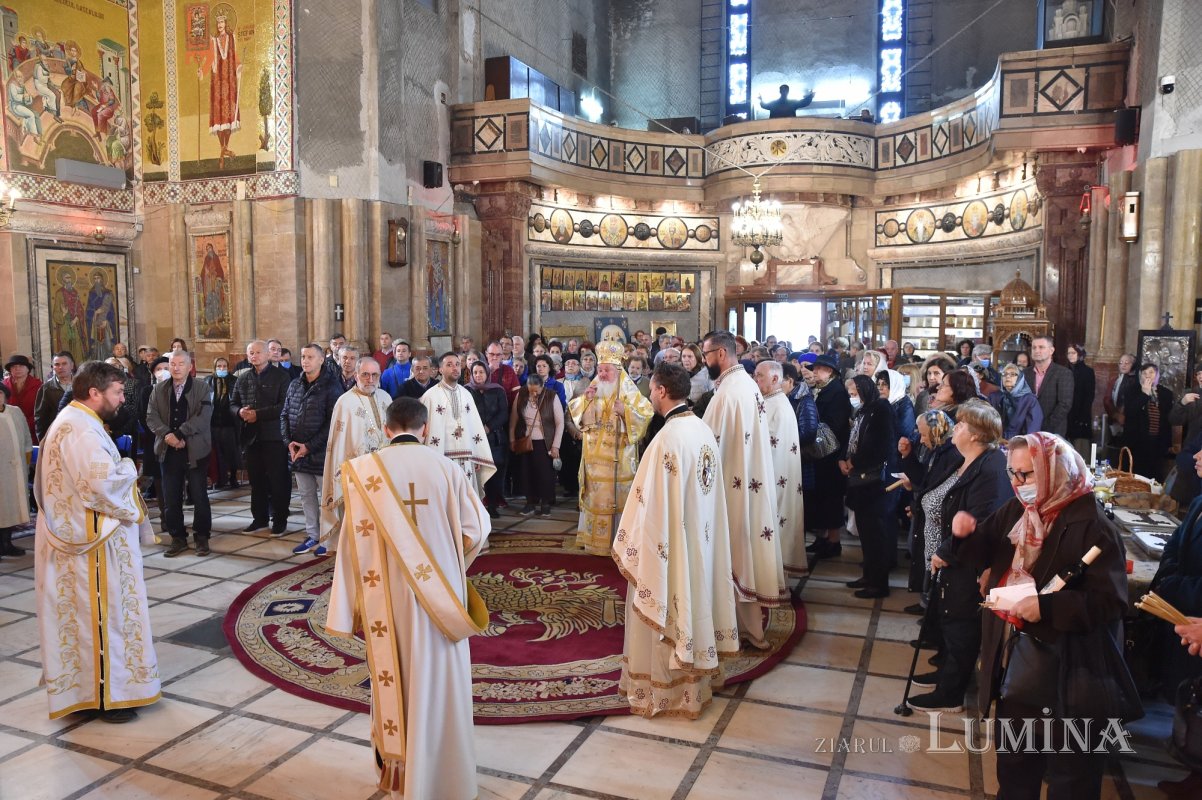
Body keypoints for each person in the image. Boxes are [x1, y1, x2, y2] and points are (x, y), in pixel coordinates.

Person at [325, 397, 489, 800]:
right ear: (426, 428)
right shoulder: (446, 468)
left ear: (386, 429)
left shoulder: (364, 472)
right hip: (440, 600)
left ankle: (401, 777)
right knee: (441, 684)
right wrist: (450, 562)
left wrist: (348, 605)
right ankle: (448, 779)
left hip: (387, 602)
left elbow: (349, 544)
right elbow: (478, 530)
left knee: (396, 679)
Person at [952, 432, 1131, 799]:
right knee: (1015, 766)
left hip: (1071, 671)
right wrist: (967, 536)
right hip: (1020, 666)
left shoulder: (1095, 526)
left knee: (1071, 776)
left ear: (1055, 470)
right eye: (1013, 474)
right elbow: (987, 549)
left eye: (1028, 474)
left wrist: (1047, 607)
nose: (1019, 483)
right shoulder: (1018, 509)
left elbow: (1109, 603)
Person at [34, 361, 160, 722]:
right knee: (104, 615)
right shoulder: (81, 430)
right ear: (94, 392)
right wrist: (128, 468)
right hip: (91, 545)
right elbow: (100, 486)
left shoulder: (76, 421)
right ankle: (108, 697)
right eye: (117, 392)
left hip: (76, 537)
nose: (122, 399)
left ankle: (92, 692)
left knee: (85, 616)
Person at [613, 362, 739, 717]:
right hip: (699, 539)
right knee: (695, 601)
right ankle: (697, 683)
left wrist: (632, 539)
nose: (649, 395)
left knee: (666, 605)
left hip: (671, 544)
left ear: (661, 391)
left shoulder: (666, 440)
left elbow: (647, 505)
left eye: (651, 389)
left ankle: (665, 690)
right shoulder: (701, 429)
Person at [907, 401, 1010, 712]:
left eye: (962, 424)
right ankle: (946, 675)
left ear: (976, 434)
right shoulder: (966, 460)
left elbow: (979, 521)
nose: (956, 428)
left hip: (969, 562)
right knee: (948, 620)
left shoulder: (990, 468)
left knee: (961, 626)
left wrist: (946, 551)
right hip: (954, 557)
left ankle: (950, 694)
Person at [700, 331, 786, 648]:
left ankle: (734, 629)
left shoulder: (728, 393)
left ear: (721, 354)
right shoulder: (746, 385)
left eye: (706, 354)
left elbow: (707, 447)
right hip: (747, 480)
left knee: (732, 554)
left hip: (730, 486)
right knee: (742, 551)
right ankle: (747, 628)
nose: (704, 360)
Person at [569, 340, 653, 556]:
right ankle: (592, 541)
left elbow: (646, 413)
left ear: (617, 370)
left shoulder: (628, 389)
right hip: (594, 460)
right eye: (600, 370)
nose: (602, 374)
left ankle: (618, 542)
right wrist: (586, 401)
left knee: (616, 500)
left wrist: (626, 411)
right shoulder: (594, 387)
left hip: (619, 459)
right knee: (596, 497)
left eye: (607, 370)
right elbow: (576, 413)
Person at [319, 356, 392, 555]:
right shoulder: (345, 402)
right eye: (365, 374)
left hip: (384, 469)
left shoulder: (386, 398)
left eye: (375, 375)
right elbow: (340, 443)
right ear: (356, 375)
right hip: (357, 472)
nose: (370, 379)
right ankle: (354, 554)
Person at [146, 351, 213, 557]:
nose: (175, 368)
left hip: (195, 449)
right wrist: (168, 435)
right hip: (168, 450)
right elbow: (151, 416)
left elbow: (203, 417)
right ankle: (178, 537)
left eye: (180, 364)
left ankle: (201, 536)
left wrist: (180, 433)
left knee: (199, 495)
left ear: (190, 366)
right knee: (171, 497)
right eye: (172, 364)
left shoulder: (202, 387)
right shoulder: (158, 389)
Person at [841, 375, 896, 598]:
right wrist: (845, 459)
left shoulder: (881, 408)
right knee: (865, 532)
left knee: (876, 534)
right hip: (860, 480)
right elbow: (854, 438)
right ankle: (868, 575)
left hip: (874, 482)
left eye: (854, 392)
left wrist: (854, 461)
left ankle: (879, 584)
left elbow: (879, 444)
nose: (852, 396)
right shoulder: (863, 410)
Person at [283, 343, 341, 555]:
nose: (305, 361)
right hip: (297, 453)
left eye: (310, 357)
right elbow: (284, 414)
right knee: (306, 496)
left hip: (321, 454)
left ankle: (328, 538)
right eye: (303, 357)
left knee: (327, 499)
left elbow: (332, 423)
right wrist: (288, 442)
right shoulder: (294, 384)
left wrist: (308, 446)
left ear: (321, 360)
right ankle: (312, 535)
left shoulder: (331, 386)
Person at [231, 340, 292, 535]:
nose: (254, 356)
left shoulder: (281, 377)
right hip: (251, 437)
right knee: (256, 481)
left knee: (278, 480)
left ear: (267, 355)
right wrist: (240, 411)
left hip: (274, 436)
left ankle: (280, 519)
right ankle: (259, 519)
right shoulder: (242, 378)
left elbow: (284, 406)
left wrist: (258, 414)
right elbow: (233, 403)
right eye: (251, 353)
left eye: (258, 352)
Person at [755, 360, 806, 579]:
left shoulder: (774, 405)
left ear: (775, 378)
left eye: (760, 376)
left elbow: (761, 442)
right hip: (779, 476)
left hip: (775, 477)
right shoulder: (774, 402)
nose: (755, 380)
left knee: (773, 525)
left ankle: (774, 580)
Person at [421, 352, 496, 497]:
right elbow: (423, 430)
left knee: (466, 498)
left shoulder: (466, 394)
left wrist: (477, 455)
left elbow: (474, 427)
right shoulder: (430, 396)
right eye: (449, 365)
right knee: (446, 497)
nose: (455, 368)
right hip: (441, 458)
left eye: (457, 364)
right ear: (440, 369)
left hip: (466, 458)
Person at [805, 353, 852, 558]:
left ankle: (833, 541)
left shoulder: (837, 392)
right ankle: (822, 538)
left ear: (830, 372)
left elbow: (836, 424)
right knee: (820, 498)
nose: (814, 372)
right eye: (814, 369)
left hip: (831, 453)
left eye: (818, 369)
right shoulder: (820, 390)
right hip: (820, 454)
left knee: (831, 499)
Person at [509, 374, 563, 516]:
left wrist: (556, 445)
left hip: (545, 442)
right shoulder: (521, 394)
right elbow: (514, 419)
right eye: (530, 390)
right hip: (525, 441)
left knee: (545, 474)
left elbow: (560, 423)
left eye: (536, 391)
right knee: (526, 473)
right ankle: (530, 503)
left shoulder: (552, 396)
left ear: (542, 386)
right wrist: (512, 439)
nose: (533, 394)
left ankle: (545, 503)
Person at [466, 361, 508, 518]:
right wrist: (477, 428)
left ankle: (492, 505)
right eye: (475, 372)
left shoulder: (497, 390)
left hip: (494, 438)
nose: (478, 375)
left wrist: (488, 427)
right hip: (473, 438)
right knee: (476, 471)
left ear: (487, 373)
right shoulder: (466, 390)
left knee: (494, 472)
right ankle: (476, 505)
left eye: (481, 372)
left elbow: (503, 413)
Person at [201, 12, 242, 168]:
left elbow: (235, 56)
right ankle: (224, 149)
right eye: (218, 23)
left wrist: (239, 66)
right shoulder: (214, 41)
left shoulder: (232, 38)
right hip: (218, 82)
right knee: (219, 117)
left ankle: (224, 151)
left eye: (222, 22)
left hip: (230, 81)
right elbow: (210, 58)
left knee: (229, 116)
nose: (220, 25)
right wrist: (202, 71)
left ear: (226, 23)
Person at [1124, 361, 1174, 481]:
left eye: (1151, 372)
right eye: (1144, 373)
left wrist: (1168, 443)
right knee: (1138, 475)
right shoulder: (1132, 390)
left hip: (1158, 441)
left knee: (1155, 474)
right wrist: (1145, 395)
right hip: (1138, 440)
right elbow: (1130, 412)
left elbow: (1168, 419)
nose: (1148, 375)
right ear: (1140, 376)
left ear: (1157, 375)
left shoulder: (1166, 393)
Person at [0, 384, 32, 558]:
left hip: (16, 469)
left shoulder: (15, 412)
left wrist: (26, 462)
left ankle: (6, 543)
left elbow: (26, 437)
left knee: (12, 508)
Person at [1024, 335, 1074, 436]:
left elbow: (1064, 404)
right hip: (1027, 430)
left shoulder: (1063, 373)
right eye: (1034, 348)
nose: (1037, 351)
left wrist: (1044, 427)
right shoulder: (1024, 373)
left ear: (1051, 350)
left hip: (1052, 431)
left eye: (1041, 347)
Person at [206, 357, 241, 488]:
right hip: (213, 421)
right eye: (219, 366)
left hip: (229, 422)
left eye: (224, 366)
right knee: (216, 453)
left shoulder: (234, 380)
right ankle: (220, 479)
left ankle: (233, 477)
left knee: (231, 451)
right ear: (214, 367)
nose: (222, 369)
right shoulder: (208, 381)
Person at [990, 362, 1043, 438]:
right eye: (1004, 374)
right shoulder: (994, 397)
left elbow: (1033, 429)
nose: (1007, 377)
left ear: (1020, 379)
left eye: (1012, 374)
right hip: (997, 440)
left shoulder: (1029, 400)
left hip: (1021, 442)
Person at [34, 352, 74, 441]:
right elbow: (40, 418)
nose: (60, 367)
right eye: (57, 364)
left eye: (64, 364)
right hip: (56, 436)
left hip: (78, 433)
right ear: (53, 367)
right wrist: (43, 440)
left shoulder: (81, 385)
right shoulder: (46, 389)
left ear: (72, 365)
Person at [1065, 344, 1096, 459]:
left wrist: (1082, 417)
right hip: (1066, 414)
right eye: (1069, 353)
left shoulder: (1087, 372)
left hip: (1081, 415)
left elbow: (1089, 396)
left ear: (1080, 354)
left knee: (1080, 450)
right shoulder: (1064, 370)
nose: (1070, 356)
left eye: (1073, 353)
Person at [3, 355, 41, 444]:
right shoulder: (3, 385)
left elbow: (41, 410)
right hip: (8, 431)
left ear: (28, 369)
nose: (17, 369)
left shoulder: (38, 385)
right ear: (10, 370)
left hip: (32, 431)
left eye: (21, 366)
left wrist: (26, 425)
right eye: (14, 366)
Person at [1103, 352, 1138, 446]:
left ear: (1133, 365)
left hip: (1130, 423)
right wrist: (1116, 415)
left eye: (1127, 363)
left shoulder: (1137, 382)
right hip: (1115, 421)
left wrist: (1125, 416)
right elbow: (1107, 400)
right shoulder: (1114, 380)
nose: (1123, 365)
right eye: (1121, 363)